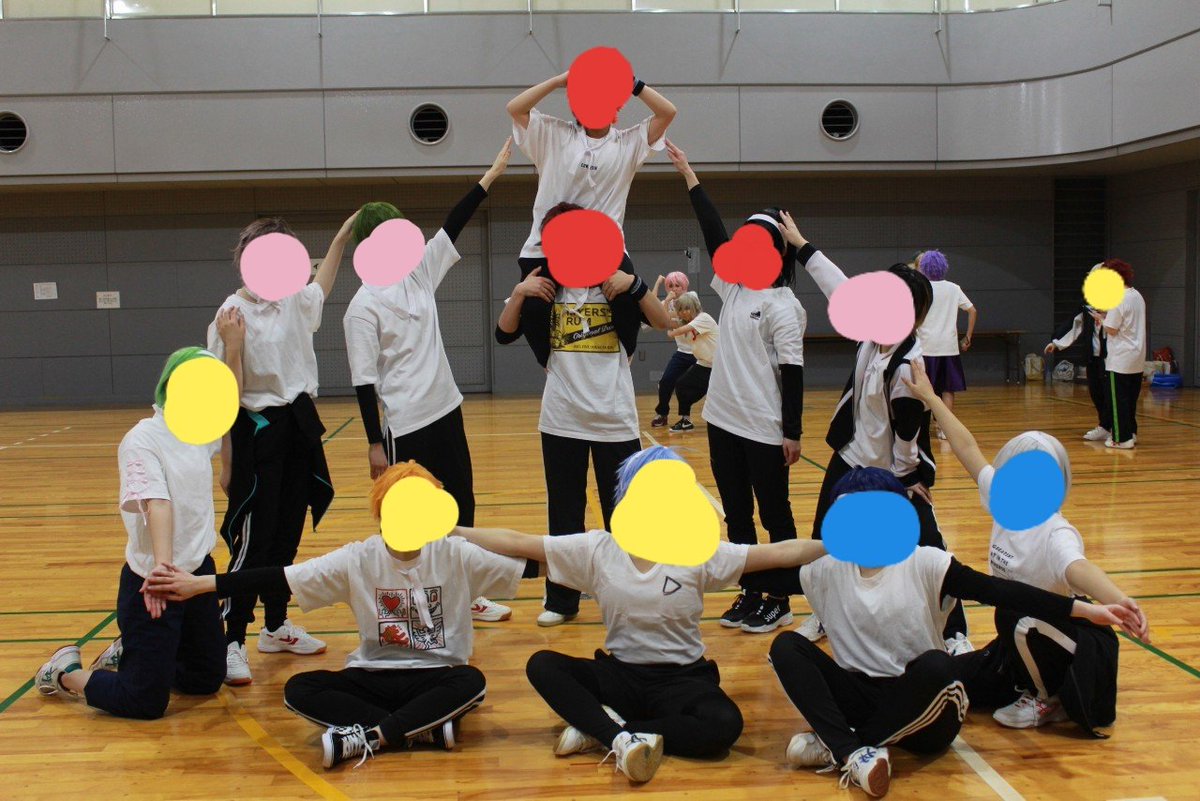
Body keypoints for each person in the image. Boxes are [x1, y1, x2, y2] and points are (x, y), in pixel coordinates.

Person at [754, 467, 1140, 799]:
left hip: (929, 708)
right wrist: (720, 557)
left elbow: (1002, 592)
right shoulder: (826, 568)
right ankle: (855, 753)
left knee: (938, 666)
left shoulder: (927, 562)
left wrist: (1085, 609)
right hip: (861, 696)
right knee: (787, 646)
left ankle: (840, 746)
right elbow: (753, 570)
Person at [451, 445, 828, 784]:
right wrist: (455, 529)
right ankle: (617, 733)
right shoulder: (598, 549)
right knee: (544, 665)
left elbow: (779, 553)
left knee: (724, 724)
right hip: (621, 675)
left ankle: (606, 730)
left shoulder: (697, 551)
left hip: (682, 679)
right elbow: (521, 543)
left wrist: (836, 544)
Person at [145, 462, 536, 770]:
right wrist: (200, 584)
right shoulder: (358, 558)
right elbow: (279, 577)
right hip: (372, 675)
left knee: (471, 681)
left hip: (438, 675)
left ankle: (373, 737)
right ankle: (422, 729)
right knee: (299, 688)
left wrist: (568, 556)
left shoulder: (455, 553)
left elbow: (530, 564)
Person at [904, 359, 1150, 734]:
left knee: (1013, 615)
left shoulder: (1056, 533)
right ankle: (1022, 681)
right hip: (1022, 640)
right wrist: (930, 397)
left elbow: (1079, 569)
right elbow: (967, 446)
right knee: (948, 678)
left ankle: (1049, 699)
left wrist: (1121, 601)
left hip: (1070, 640)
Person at [777, 212, 969, 649]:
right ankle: (825, 615)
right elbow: (838, 287)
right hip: (851, 456)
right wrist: (802, 246)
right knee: (825, 541)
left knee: (930, 549)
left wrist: (908, 479)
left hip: (893, 470)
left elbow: (907, 433)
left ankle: (955, 631)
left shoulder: (907, 366)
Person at [344, 139, 514, 624]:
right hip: (406, 426)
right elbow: (363, 382)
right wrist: (374, 444)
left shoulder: (418, 273)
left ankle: (467, 592)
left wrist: (490, 176)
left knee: (461, 504)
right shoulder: (362, 308)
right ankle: (416, 599)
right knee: (413, 518)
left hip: (446, 410)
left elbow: (452, 226)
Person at [35, 335, 244, 719]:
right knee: (145, 702)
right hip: (153, 580)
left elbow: (231, 408)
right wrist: (162, 571)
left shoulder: (200, 430)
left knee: (204, 679)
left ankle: (136, 654)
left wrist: (234, 350)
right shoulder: (142, 439)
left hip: (196, 575)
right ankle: (65, 672)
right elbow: (157, 504)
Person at [495, 204, 672, 627]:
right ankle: (562, 598)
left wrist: (635, 285)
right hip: (562, 420)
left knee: (624, 515)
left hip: (615, 419)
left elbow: (664, 320)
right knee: (564, 515)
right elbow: (503, 333)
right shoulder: (544, 286)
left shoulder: (616, 281)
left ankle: (629, 593)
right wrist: (519, 293)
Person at [663, 140, 806, 635]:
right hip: (722, 421)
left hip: (764, 428)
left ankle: (781, 597)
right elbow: (712, 233)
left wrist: (792, 432)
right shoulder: (734, 287)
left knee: (775, 514)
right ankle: (752, 589)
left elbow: (793, 373)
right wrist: (690, 175)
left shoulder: (784, 306)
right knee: (738, 515)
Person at [205, 211, 354, 685]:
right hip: (257, 432)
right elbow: (225, 396)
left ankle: (274, 625)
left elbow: (322, 285)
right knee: (255, 541)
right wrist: (227, 461)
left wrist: (341, 235)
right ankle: (232, 639)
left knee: (288, 531)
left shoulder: (294, 298)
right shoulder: (231, 314)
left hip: (298, 425)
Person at [506, 70, 676, 366]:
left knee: (629, 302)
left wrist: (633, 84)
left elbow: (668, 112)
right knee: (532, 310)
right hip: (548, 247)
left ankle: (625, 358)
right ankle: (550, 368)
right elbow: (515, 108)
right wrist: (560, 81)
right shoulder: (554, 134)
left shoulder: (627, 143)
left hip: (604, 249)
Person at [1045, 262, 1112, 442]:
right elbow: (1075, 325)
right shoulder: (1088, 303)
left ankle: (1119, 428)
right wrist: (1057, 343)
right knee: (1096, 392)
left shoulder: (1119, 302)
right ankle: (1104, 426)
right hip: (1093, 355)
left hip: (1112, 357)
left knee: (1111, 393)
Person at [914, 250, 976, 439]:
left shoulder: (921, 288)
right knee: (948, 389)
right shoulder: (953, 288)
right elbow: (972, 310)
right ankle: (944, 429)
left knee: (924, 389)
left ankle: (921, 429)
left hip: (925, 347)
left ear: (924, 267)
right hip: (949, 347)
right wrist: (968, 337)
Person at [1091, 259, 1146, 449]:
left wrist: (1101, 319)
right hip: (1137, 357)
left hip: (1120, 358)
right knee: (1130, 399)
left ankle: (1121, 439)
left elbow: (1112, 329)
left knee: (1117, 399)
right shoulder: (1136, 295)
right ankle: (1131, 432)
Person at [665, 291, 719, 432]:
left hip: (718, 367)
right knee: (682, 385)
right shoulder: (686, 321)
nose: (684, 312)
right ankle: (686, 420)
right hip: (703, 364)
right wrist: (667, 301)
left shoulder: (703, 318)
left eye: (687, 308)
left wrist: (672, 332)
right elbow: (664, 319)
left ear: (695, 307)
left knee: (717, 396)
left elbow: (681, 330)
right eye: (681, 310)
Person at [650, 271, 695, 428]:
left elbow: (685, 317)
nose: (674, 288)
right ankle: (662, 414)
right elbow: (656, 314)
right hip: (682, 352)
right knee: (665, 382)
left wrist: (667, 316)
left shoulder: (692, 296)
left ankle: (686, 418)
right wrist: (659, 286)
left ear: (684, 286)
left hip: (699, 352)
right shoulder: (668, 301)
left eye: (677, 285)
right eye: (671, 286)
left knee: (685, 385)